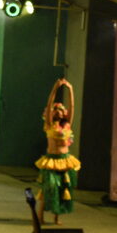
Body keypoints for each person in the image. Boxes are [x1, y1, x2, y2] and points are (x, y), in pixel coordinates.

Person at [34, 78, 80, 224]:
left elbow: (72, 106)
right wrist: (55, 88)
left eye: (61, 110)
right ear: (51, 113)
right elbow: (49, 103)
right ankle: (40, 217)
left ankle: (56, 217)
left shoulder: (67, 125)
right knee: (49, 188)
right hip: (52, 160)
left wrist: (71, 89)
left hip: (65, 159)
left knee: (63, 189)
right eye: (56, 110)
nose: (59, 112)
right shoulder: (48, 125)